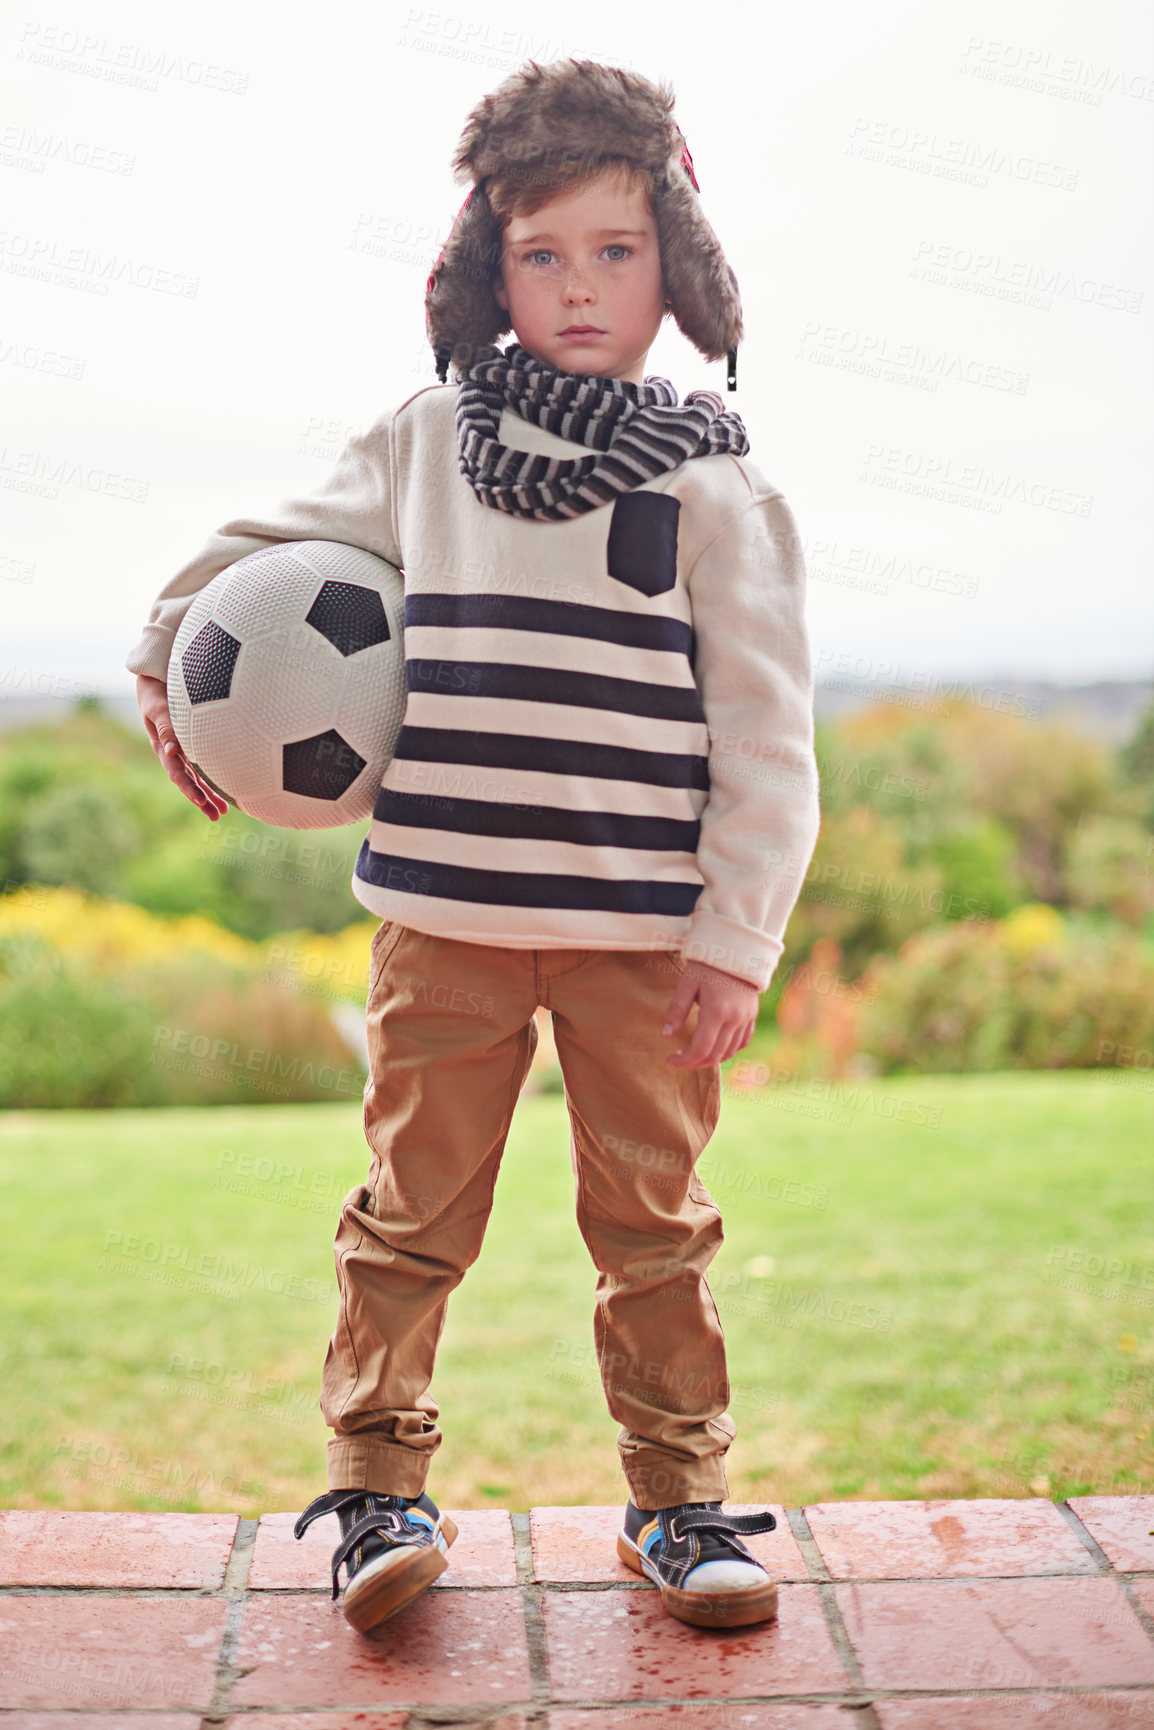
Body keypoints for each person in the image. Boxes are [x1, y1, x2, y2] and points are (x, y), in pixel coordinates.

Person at [127, 57, 822, 1635]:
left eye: (614, 250)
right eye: (540, 253)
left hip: (642, 940)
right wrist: (169, 646)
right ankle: (377, 1486)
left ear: (679, 267)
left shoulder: (720, 488)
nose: (577, 287)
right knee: (407, 1213)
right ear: (483, 271)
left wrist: (735, 937)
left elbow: (769, 742)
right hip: (440, 921)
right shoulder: (430, 440)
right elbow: (257, 550)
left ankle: (680, 1503)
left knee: (653, 1226)